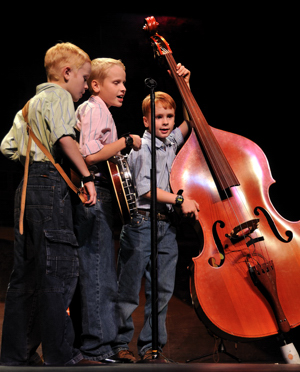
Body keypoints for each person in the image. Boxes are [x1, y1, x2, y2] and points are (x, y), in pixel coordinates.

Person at [0, 42, 99, 366]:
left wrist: (35, 157)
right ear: (66, 73)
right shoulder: (58, 97)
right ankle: (62, 356)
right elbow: (64, 139)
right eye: (84, 78)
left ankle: (17, 356)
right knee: (58, 275)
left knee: (25, 279)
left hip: (26, 190)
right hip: (48, 189)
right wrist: (86, 177)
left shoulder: (30, 105)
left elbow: (8, 147)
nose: (85, 86)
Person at [112, 66, 200, 363]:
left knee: (162, 292)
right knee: (128, 291)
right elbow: (145, 190)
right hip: (141, 224)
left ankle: (152, 348)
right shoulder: (143, 147)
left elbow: (192, 122)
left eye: (169, 117)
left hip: (166, 227)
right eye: (159, 117)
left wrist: (184, 84)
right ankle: (119, 345)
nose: (165, 122)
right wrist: (178, 199)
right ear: (147, 120)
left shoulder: (172, 141)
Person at [72, 58, 141, 362]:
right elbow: (88, 155)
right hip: (93, 193)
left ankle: (101, 343)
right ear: (97, 85)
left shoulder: (104, 112)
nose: (124, 88)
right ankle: (96, 346)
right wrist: (125, 142)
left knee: (102, 271)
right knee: (97, 271)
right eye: (117, 82)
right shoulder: (93, 107)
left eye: (124, 82)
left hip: (102, 194)